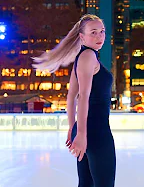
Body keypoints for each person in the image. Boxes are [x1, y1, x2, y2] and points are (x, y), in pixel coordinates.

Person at [32, 14, 116, 187]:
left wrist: (73, 127)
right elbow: (82, 96)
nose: (100, 36)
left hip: (86, 129)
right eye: (93, 32)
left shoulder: (83, 57)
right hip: (96, 131)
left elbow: (71, 96)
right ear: (82, 36)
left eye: (102, 31)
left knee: (86, 183)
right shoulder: (88, 56)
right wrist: (81, 134)